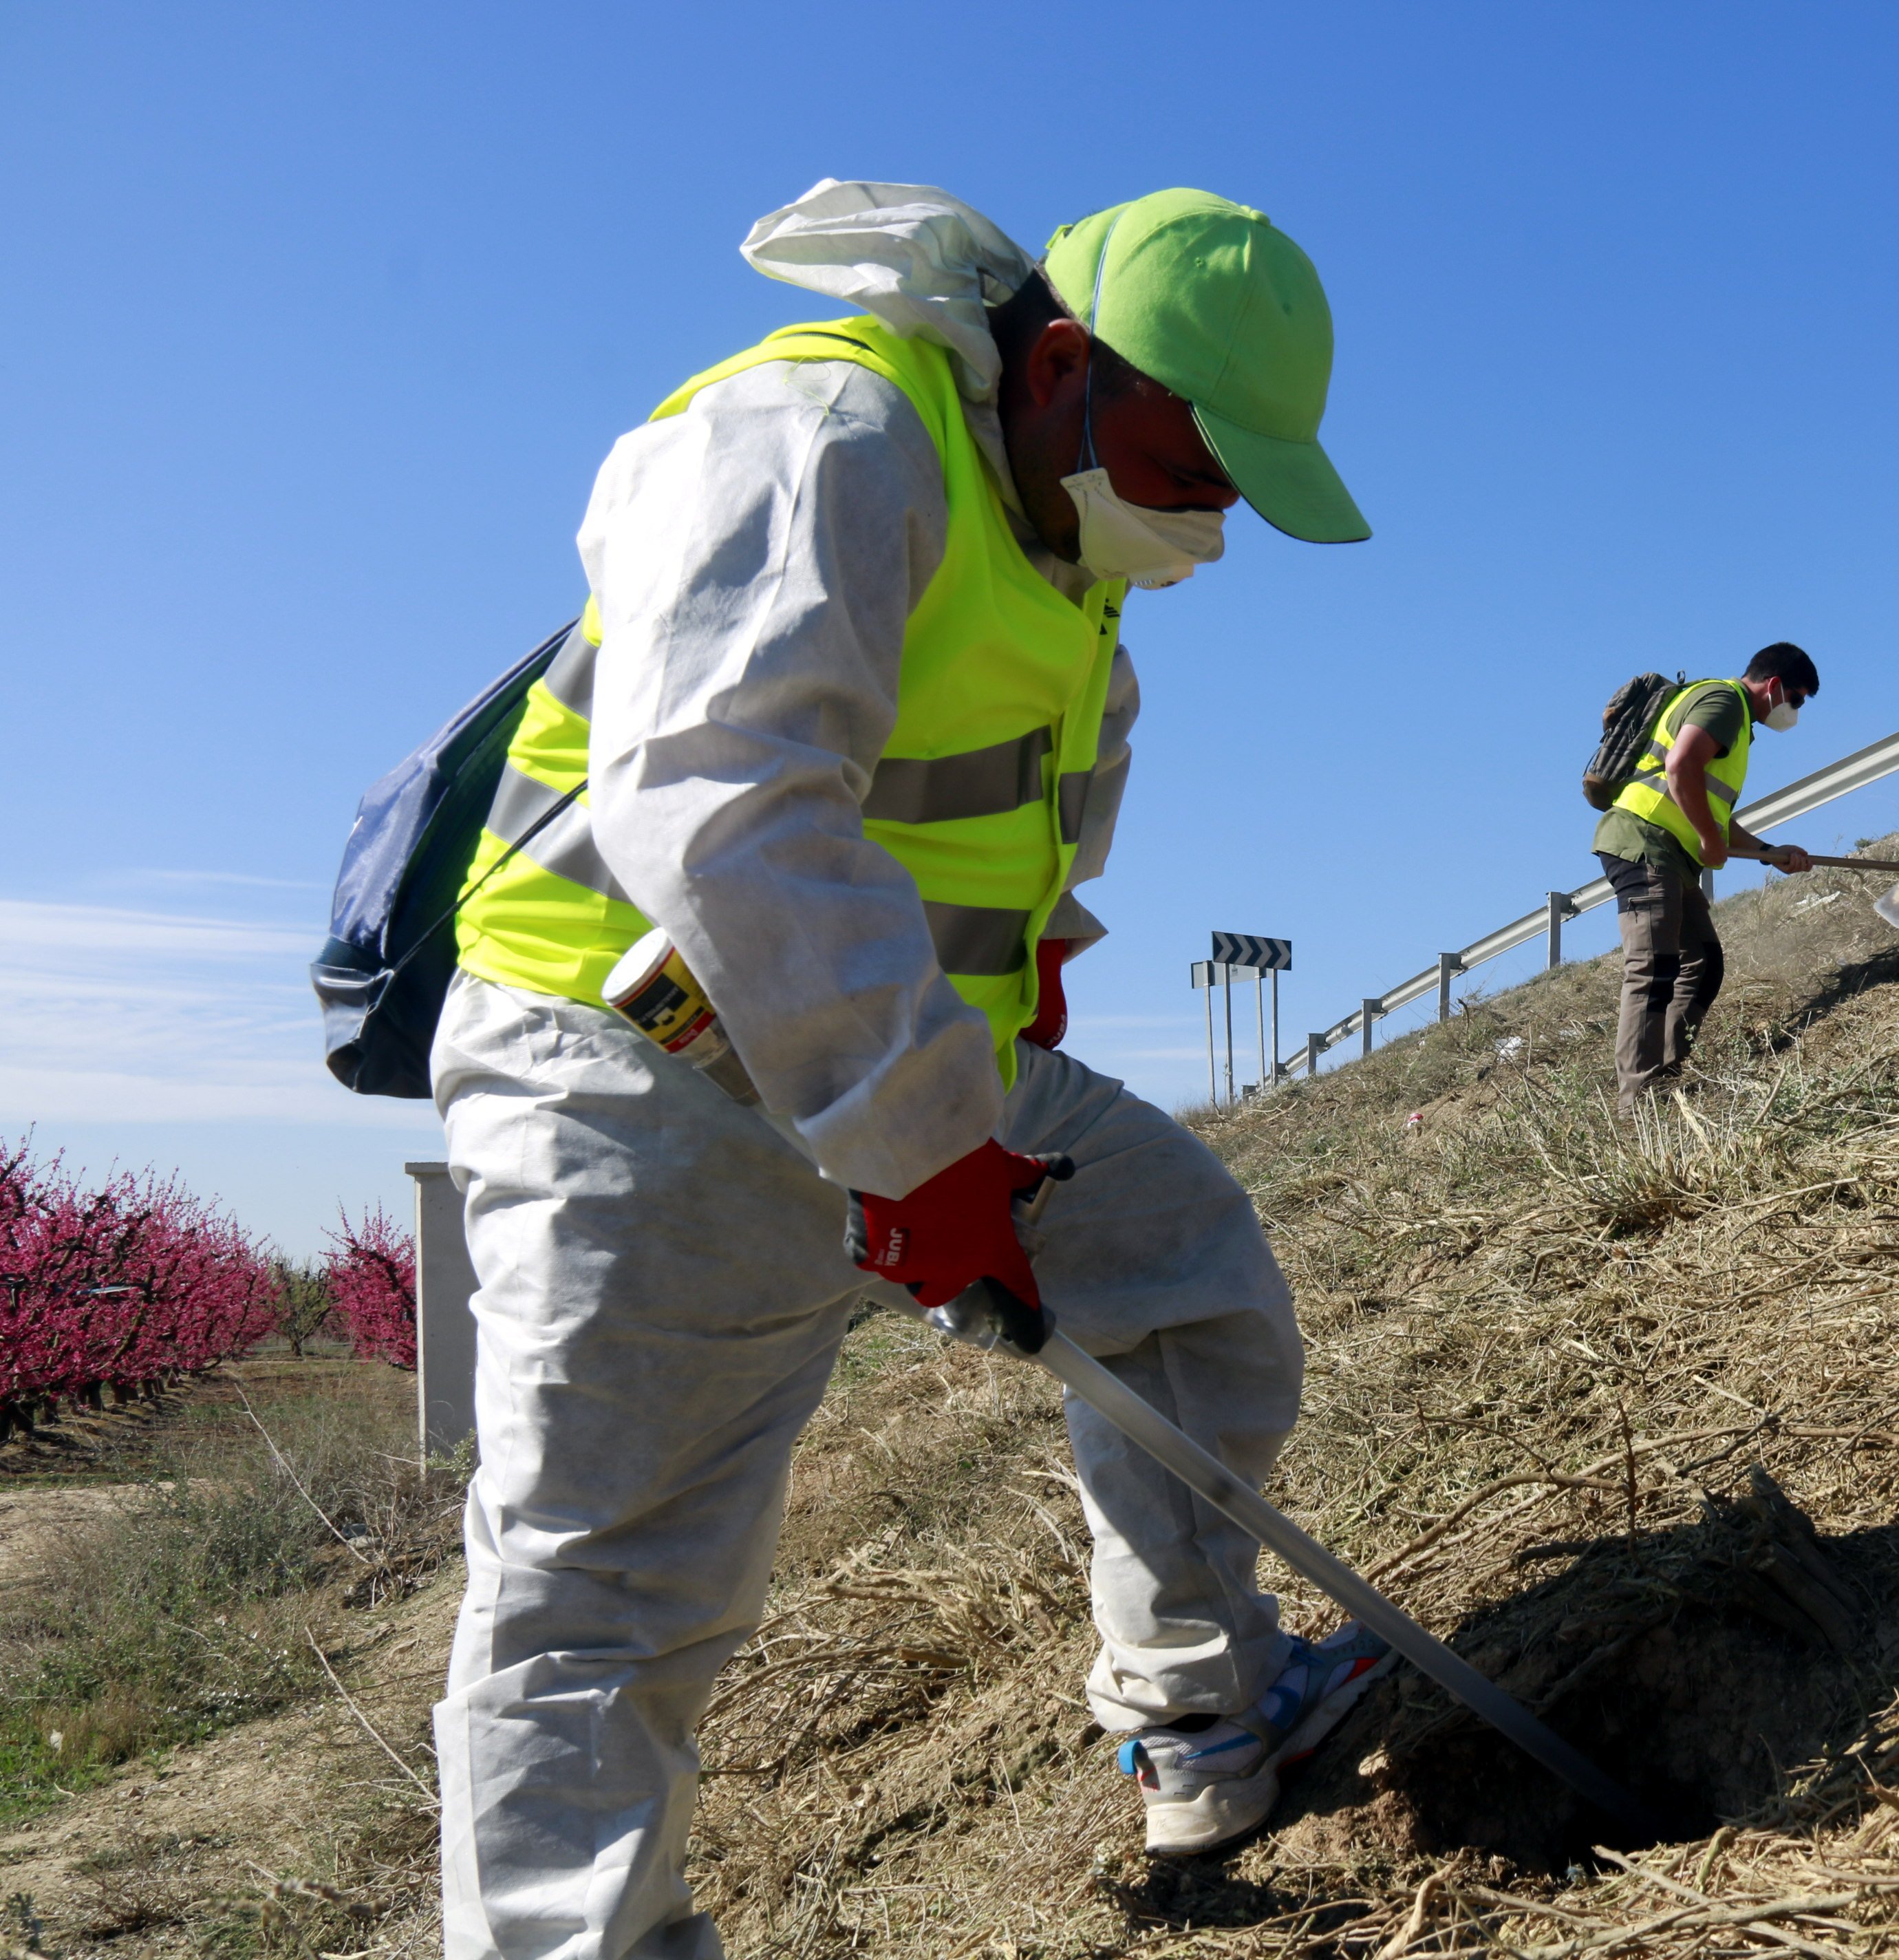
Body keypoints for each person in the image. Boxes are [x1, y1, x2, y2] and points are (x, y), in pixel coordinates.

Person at [431, 180, 1379, 1955]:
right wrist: (920, 1148)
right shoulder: (821, 435)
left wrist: (1011, 1022)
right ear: (1068, 371)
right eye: (1191, 475)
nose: (1207, 531)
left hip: (898, 1063)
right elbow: (724, 804)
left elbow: (989, 847)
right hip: (637, 1070)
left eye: (1234, 497)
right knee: (607, 1594)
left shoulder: (1067, 573)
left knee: (1181, 1269)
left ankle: (1203, 1710)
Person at [1591, 644, 1818, 1107]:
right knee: (1653, 968)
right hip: (1644, 842)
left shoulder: (1732, 720)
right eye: (1796, 699)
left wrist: (1768, 852)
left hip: (1670, 854)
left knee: (1703, 964)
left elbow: (1710, 804)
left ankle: (1666, 1077)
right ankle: (1638, 1104)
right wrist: (1708, 838)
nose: (1794, 712)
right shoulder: (1724, 703)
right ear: (1775, 686)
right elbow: (1680, 769)